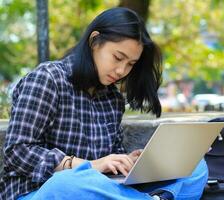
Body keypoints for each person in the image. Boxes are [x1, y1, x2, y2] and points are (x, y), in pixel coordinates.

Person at [0, 7, 208, 200]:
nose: (121, 71)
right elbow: (17, 151)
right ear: (94, 41)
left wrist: (128, 162)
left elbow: (109, 161)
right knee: (66, 184)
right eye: (118, 57)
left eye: (130, 64)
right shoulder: (47, 78)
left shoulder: (112, 98)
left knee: (196, 166)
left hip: (100, 189)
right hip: (39, 191)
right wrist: (87, 166)